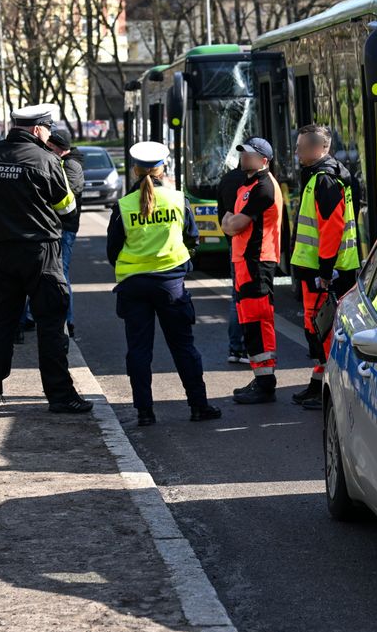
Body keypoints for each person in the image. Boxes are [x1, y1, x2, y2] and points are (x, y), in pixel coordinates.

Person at [0, 104, 91, 415]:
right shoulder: (47, 159)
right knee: (51, 325)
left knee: (1, 323)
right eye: (48, 129)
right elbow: (67, 208)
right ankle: (60, 396)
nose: (50, 134)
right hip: (40, 253)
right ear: (38, 129)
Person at [106, 141, 221, 426]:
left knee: (139, 350)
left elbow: (112, 250)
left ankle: (144, 412)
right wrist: (181, 261)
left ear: (134, 169)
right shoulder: (177, 200)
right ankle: (198, 405)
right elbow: (192, 238)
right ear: (163, 168)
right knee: (183, 347)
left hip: (133, 286)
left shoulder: (123, 205)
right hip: (171, 285)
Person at [288, 124, 360, 411]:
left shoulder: (325, 180)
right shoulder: (322, 176)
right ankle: (319, 384)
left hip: (326, 269)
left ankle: (331, 394)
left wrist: (324, 271)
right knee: (320, 327)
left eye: (301, 147)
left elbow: (331, 229)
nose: (297, 152)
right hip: (326, 266)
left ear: (320, 149)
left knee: (324, 329)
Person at [220, 138, 283, 405]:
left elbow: (233, 224)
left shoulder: (264, 188)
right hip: (246, 262)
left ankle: (266, 383)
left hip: (257, 262)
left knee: (258, 321)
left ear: (264, 160)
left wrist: (229, 223)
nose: (244, 157)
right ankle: (260, 378)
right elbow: (229, 222)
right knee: (250, 322)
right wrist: (230, 223)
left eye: (249, 154)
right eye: (243, 153)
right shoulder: (249, 185)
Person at [45, 128, 84, 338]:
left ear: (57, 148)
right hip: (56, 226)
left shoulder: (71, 165)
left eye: (49, 147)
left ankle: (67, 322)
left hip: (64, 227)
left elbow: (70, 192)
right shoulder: (63, 162)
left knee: (61, 274)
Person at [216, 161, 249, 365]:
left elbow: (223, 216)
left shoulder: (227, 179)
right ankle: (244, 349)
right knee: (246, 299)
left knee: (236, 297)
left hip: (233, 245)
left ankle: (235, 349)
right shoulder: (251, 184)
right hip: (250, 248)